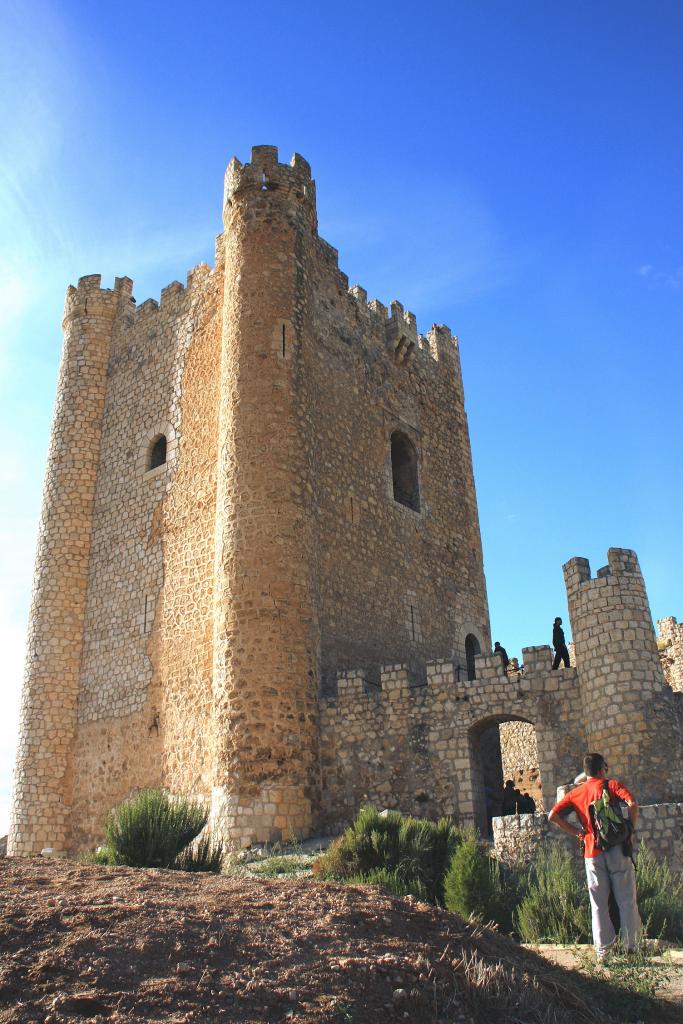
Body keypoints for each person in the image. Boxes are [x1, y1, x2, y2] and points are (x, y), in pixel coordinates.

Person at [549, 752, 641, 960]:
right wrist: (630, 829)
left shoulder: (576, 793)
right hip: (617, 848)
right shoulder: (611, 785)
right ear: (601, 769)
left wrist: (577, 832)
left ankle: (603, 952)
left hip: (592, 851)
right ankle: (632, 948)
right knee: (626, 899)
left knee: (598, 904)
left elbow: (553, 815)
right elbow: (632, 804)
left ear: (586, 772)